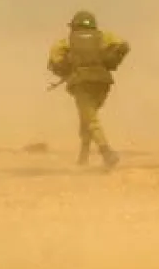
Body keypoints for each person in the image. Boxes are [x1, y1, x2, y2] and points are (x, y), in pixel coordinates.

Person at [46, 10, 130, 169]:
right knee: (88, 118)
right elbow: (123, 46)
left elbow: (54, 59)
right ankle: (83, 157)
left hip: (81, 82)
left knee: (90, 120)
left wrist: (67, 67)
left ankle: (106, 152)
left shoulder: (66, 42)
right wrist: (107, 60)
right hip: (102, 83)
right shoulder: (104, 37)